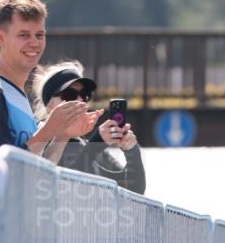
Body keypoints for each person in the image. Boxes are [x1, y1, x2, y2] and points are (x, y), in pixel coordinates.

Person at [0, 0, 101, 161]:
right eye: (23, 35)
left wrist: (62, 135)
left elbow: (38, 173)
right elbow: (5, 169)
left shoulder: (18, 96)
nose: (34, 43)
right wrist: (48, 131)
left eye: (39, 35)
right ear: (0, 37)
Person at [32, 61, 146, 194]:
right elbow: (62, 188)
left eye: (85, 95)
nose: (80, 100)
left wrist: (132, 151)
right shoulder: (39, 143)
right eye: (69, 95)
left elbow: (135, 191)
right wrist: (96, 144)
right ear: (49, 105)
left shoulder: (89, 147)